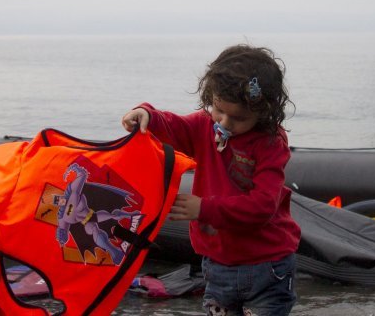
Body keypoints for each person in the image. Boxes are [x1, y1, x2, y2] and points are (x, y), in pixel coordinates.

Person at [121, 44, 301, 316]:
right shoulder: (205, 126)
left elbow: (264, 205)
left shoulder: (270, 143)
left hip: (267, 266)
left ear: (264, 111)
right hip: (217, 264)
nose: (225, 123)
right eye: (219, 110)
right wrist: (148, 115)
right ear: (211, 97)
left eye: (238, 118)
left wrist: (203, 208)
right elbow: (175, 127)